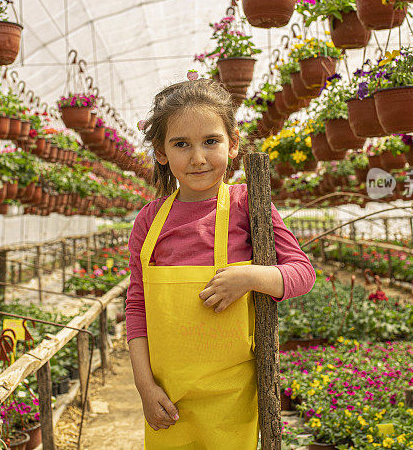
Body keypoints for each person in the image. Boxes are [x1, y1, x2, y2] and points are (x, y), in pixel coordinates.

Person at [125, 78, 316, 449]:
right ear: (161, 153)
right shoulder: (149, 220)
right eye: (181, 144)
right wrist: (145, 388)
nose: (198, 157)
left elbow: (302, 274)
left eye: (210, 141)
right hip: (168, 397)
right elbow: (137, 306)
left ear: (233, 144)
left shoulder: (249, 204)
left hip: (233, 397)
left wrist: (249, 276)